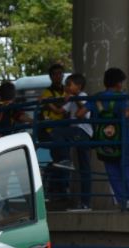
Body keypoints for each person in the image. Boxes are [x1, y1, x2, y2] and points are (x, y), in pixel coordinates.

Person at [93, 68, 129, 211]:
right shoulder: (121, 96)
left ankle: (123, 201)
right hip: (124, 138)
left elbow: (81, 114)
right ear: (118, 83)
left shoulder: (97, 97)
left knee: (112, 171)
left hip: (104, 141)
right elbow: (124, 114)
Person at [50, 73, 93, 210]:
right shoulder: (71, 97)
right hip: (76, 132)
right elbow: (60, 110)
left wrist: (75, 98)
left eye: (69, 85)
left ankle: (65, 160)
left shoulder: (83, 95)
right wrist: (47, 102)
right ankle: (85, 203)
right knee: (84, 167)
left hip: (82, 132)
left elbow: (84, 113)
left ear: (78, 86)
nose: (66, 87)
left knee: (57, 133)